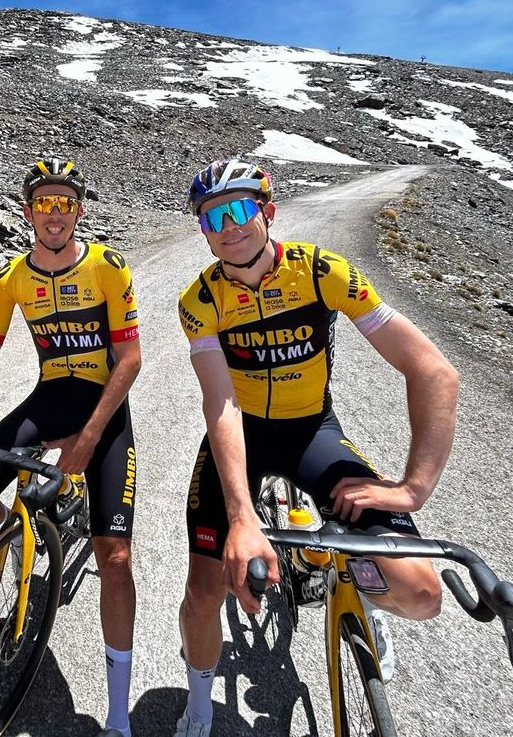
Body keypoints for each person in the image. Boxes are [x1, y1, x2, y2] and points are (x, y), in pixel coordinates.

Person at [172, 159, 458, 736]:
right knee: (204, 592)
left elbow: (432, 370)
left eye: (239, 209)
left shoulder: (323, 272)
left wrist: (411, 489)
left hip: (312, 433)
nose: (227, 227)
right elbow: (221, 405)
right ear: (203, 232)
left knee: (422, 591)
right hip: (242, 435)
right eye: (211, 218)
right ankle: (198, 706)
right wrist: (241, 516)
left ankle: (368, 598)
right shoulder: (198, 301)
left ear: (267, 212)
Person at [0, 159, 142, 737]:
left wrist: (89, 437)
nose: (54, 213)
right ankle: (26, 533)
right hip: (47, 400)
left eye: (64, 203)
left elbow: (131, 360)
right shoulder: (13, 278)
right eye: (43, 202)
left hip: (103, 412)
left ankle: (118, 714)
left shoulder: (107, 267)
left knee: (115, 559)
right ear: (28, 212)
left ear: (78, 211)